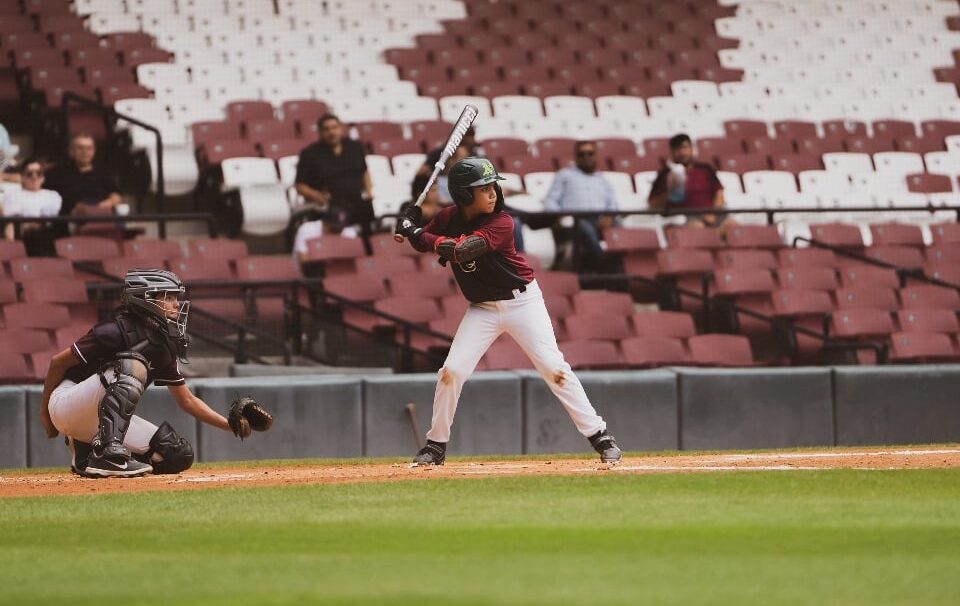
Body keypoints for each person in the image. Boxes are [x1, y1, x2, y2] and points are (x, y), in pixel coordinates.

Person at [394, 157, 622, 466]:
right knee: (451, 373)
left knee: (554, 369)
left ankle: (600, 435)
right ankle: (435, 445)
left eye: (492, 187)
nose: (492, 193)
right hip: (482, 308)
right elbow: (425, 244)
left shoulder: (502, 222)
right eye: (483, 188)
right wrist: (411, 223)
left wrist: (415, 231)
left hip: (523, 303)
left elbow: (460, 250)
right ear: (463, 195)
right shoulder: (448, 217)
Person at [38, 269, 243, 478]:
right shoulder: (113, 331)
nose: (177, 304)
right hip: (66, 403)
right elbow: (58, 363)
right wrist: (45, 413)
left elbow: (187, 400)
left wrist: (230, 426)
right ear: (145, 298)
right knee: (132, 363)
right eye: (169, 297)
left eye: (176, 297)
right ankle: (107, 455)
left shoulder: (163, 346)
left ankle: (87, 454)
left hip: (95, 422)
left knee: (176, 454)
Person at [294, 113, 374, 249]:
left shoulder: (354, 147)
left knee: (370, 222)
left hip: (357, 200)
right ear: (320, 132)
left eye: (334, 127)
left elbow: (364, 171)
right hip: (330, 204)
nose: (331, 132)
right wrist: (318, 196)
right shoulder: (310, 154)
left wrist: (369, 192)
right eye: (326, 129)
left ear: (341, 128)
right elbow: (300, 186)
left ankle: (369, 254)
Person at [542, 140, 618, 271]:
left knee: (620, 226)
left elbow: (613, 203)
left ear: (596, 155)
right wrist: (558, 216)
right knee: (583, 227)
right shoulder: (564, 175)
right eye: (581, 154)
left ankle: (625, 269)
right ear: (575, 157)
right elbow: (550, 201)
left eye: (590, 153)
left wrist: (609, 216)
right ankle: (605, 269)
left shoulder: (602, 179)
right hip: (575, 220)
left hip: (600, 220)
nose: (586, 157)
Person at [648, 133, 725, 227]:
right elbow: (653, 206)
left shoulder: (705, 169)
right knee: (697, 227)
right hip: (684, 218)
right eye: (678, 149)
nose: (682, 153)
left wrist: (713, 213)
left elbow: (719, 193)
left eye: (685, 147)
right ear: (672, 152)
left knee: (732, 226)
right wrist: (670, 191)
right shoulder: (665, 174)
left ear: (692, 148)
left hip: (711, 214)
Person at [44, 133, 121, 222]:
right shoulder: (57, 172)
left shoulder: (104, 173)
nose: (85, 152)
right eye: (80, 148)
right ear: (71, 151)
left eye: (89, 148)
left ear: (94, 151)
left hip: (99, 217)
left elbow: (116, 196)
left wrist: (103, 206)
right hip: (68, 221)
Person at [0, 158, 61, 251]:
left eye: (38, 173)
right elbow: (10, 224)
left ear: (43, 177)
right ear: (22, 177)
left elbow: (52, 220)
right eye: (29, 174)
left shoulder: (53, 195)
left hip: (47, 236)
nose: (34, 177)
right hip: (22, 237)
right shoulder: (13, 195)